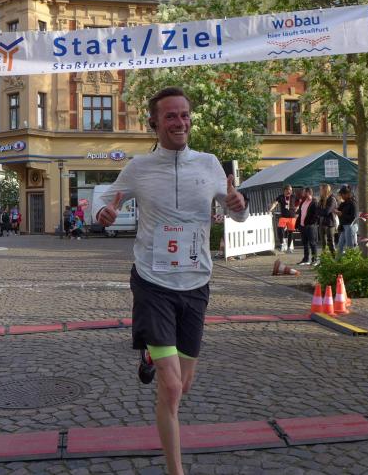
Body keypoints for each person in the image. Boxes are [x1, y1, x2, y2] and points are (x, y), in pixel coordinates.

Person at [96, 87, 248, 475]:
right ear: (154, 123)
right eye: (170, 116)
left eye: (184, 115)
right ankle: (175, 470)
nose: (180, 122)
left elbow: (237, 212)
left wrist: (239, 206)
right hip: (153, 282)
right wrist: (103, 213)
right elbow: (105, 199)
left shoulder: (209, 164)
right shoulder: (140, 168)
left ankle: (150, 355)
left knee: (185, 382)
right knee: (172, 387)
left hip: (196, 283)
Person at [270, 184, 297, 252]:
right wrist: (270, 209)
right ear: (285, 190)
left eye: (291, 190)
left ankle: (289, 248)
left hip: (292, 217)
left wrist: (297, 208)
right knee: (280, 229)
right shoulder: (281, 197)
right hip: (283, 217)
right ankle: (282, 244)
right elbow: (275, 203)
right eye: (288, 190)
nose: (290, 192)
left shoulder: (293, 196)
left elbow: (299, 202)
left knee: (290, 232)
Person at [296, 187, 318, 266]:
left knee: (312, 243)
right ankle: (306, 259)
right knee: (305, 243)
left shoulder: (314, 202)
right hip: (302, 226)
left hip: (310, 226)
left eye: (304, 192)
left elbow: (316, 215)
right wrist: (298, 224)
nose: (302, 194)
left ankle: (314, 260)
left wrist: (311, 223)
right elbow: (301, 213)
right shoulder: (303, 201)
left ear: (308, 192)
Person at [335, 185, 358, 255]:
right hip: (344, 226)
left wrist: (342, 214)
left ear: (348, 194)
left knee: (349, 247)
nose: (341, 196)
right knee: (340, 246)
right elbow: (338, 209)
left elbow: (353, 217)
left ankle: (350, 260)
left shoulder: (353, 203)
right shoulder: (344, 203)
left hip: (350, 226)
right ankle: (338, 260)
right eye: (341, 194)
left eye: (342, 194)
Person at [317, 184, 337, 255]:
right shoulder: (321, 200)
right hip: (322, 223)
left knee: (330, 242)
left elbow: (327, 211)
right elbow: (317, 211)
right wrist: (320, 212)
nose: (320, 191)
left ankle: (334, 258)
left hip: (330, 223)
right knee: (323, 244)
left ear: (325, 190)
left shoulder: (332, 199)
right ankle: (325, 259)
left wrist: (320, 212)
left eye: (321, 190)